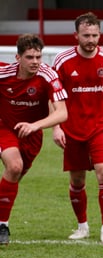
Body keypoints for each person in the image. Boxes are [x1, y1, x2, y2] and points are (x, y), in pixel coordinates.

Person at [52, 12, 103, 245]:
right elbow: (53, 95)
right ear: (76, 35)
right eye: (86, 35)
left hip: (100, 126)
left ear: (100, 34)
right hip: (71, 128)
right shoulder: (62, 60)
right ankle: (82, 226)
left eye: (95, 35)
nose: (91, 40)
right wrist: (56, 126)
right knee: (77, 180)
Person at [0, 34, 68, 245]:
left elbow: (63, 112)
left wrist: (36, 126)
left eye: (38, 56)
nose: (35, 62)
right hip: (5, 128)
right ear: (18, 57)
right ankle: (3, 225)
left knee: (15, 178)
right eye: (30, 57)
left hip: (32, 135)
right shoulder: (3, 73)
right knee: (14, 166)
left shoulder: (48, 76)